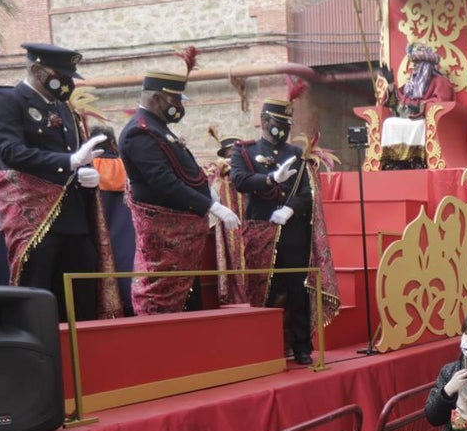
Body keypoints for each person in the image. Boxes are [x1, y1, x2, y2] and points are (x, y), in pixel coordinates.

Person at [0, 43, 122, 321]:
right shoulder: (9, 100)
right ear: (36, 69)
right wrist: (68, 163)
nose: (67, 83)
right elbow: (9, 152)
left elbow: (77, 153)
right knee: (38, 298)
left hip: (73, 217)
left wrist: (85, 172)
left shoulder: (65, 109)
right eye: (61, 76)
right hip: (36, 219)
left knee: (81, 297)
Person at [119, 65, 241, 315]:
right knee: (163, 294)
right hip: (165, 230)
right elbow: (163, 181)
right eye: (174, 99)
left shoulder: (157, 127)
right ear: (155, 97)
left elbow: (182, 169)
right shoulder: (139, 131)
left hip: (182, 231)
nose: (178, 106)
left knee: (186, 295)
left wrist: (207, 190)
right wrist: (210, 205)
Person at [230, 93, 340, 365]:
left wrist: (290, 209)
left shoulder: (296, 154)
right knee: (264, 290)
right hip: (261, 229)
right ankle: (264, 345)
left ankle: (301, 345)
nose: (284, 128)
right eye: (279, 122)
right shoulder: (245, 151)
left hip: (293, 232)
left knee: (296, 289)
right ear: (264, 121)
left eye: (288, 123)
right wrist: (270, 179)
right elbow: (240, 180)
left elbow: (307, 190)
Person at [377, 42, 454, 169]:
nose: (414, 67)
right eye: (413, 63)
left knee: (419, 125)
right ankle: (396, 161)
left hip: (425, 120)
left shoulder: (440, 81)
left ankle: (418, 160)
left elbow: (441, 104)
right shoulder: (410, 84)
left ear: (426, 65)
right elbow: (396, 106)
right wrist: (391, 84)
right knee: (389, 123)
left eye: (417, 64)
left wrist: (421, 107)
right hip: (407, 117)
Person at [89, 125, 135, 316]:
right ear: (114, 143)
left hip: (97, 233)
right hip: (127, 233)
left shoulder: (88, 169)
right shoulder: (129, 168)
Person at [206, 129, 248, 304]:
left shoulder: (248, 171)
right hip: (227, 227)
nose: (231, 158)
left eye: (235, 154)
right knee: (231, 259)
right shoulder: (216, 175)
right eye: (228, 154)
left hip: (249, 223)